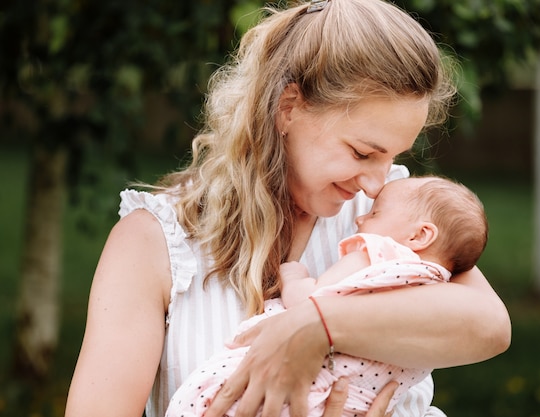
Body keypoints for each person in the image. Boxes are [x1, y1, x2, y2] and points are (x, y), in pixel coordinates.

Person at [65, 0, 511, 416]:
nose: (377, 183)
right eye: (361, 152)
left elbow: (489, 326)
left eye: (393, 156)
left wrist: (315, 326)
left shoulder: (390, 220)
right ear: (288, 108)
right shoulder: (155, 243)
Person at [164, 175, 489, 417]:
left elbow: (314, 299)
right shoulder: (438, 282)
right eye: (361, 151)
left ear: (420, 234)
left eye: (374, 214)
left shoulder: (380, 252)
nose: (362, 217)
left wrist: (294, 277)